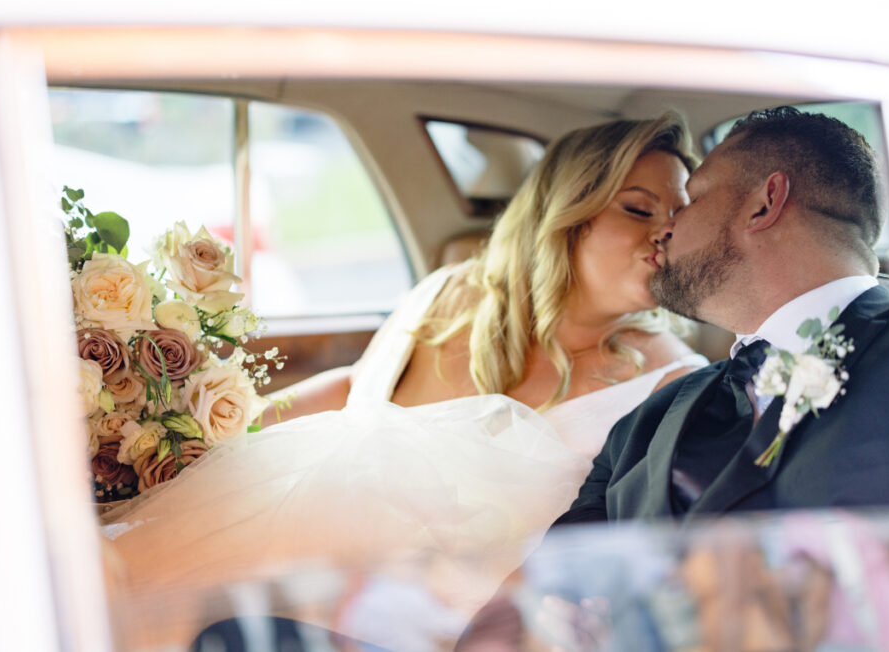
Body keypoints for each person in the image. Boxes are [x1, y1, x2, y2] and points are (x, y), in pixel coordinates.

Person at [100, 113, 708, 647]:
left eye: (680, 216)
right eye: (638, 207)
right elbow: (352, 390)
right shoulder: (453, 290)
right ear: (567, 210)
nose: (666, 231)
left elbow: (623, 543)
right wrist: (198, 445)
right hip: (304, 548)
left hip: (449, 618)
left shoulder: (672, 381)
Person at [554, 106, 889, 525]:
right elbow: (557, 572)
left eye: (691, 200)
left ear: (764, 204)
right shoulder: (648, 420)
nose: (666, 230)